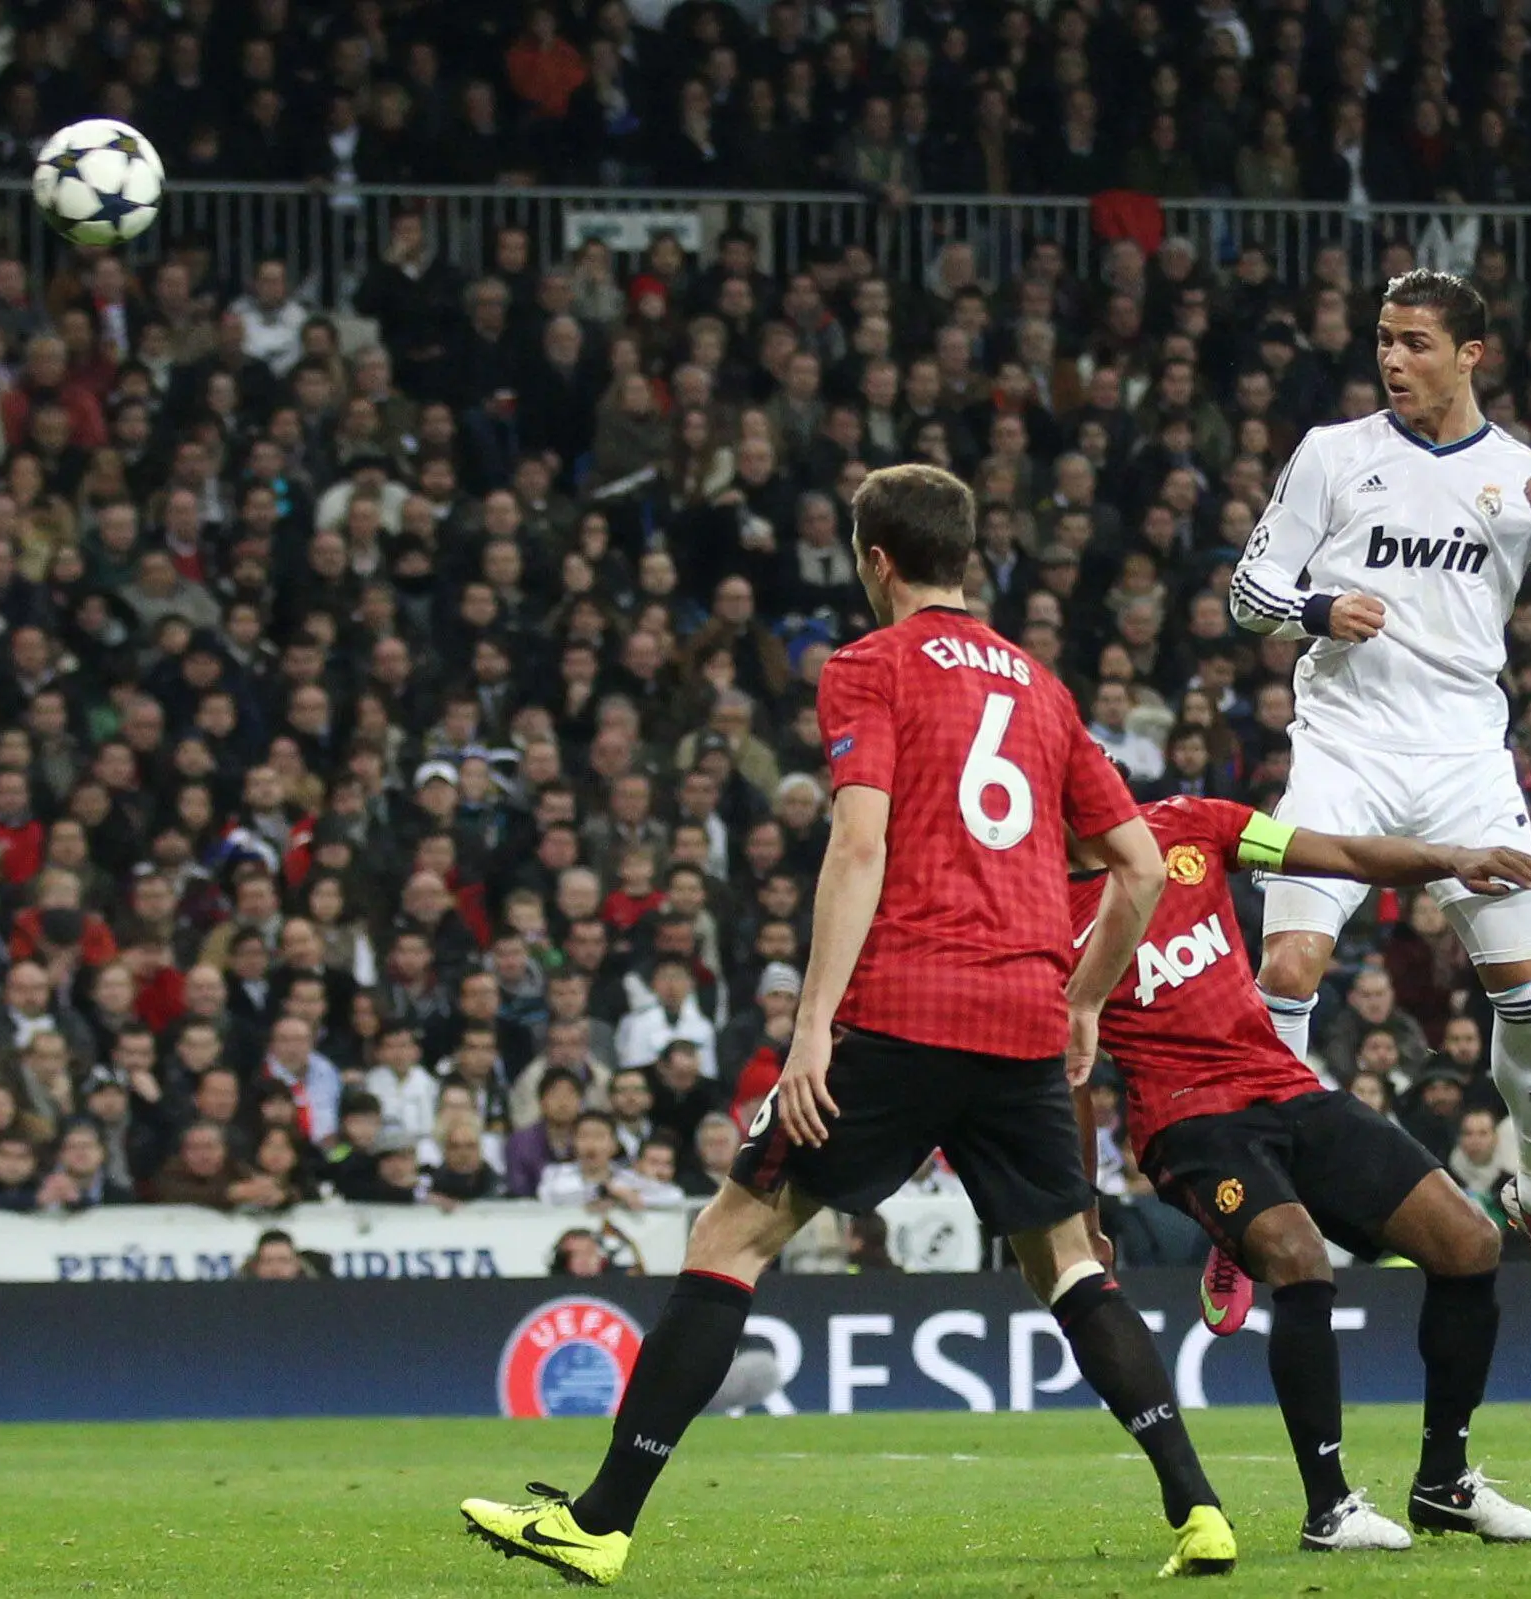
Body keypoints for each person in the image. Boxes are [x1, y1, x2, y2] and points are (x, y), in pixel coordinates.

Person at [462, 464, 1237, 1582]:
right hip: (1022, 1017)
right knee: (1068, 1262)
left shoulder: (869, 666)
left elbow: (859, 843)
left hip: (906, 1006)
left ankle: (599, 1521)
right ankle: (1199, 1510)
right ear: (962, 556)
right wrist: (1080, 997)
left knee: (731, 1238)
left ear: (874, 560)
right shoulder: (1041, 687)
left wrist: (812, 1023)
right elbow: (1138, 866)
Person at [1234, 268, 1531, 1315]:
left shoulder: (1525, 478)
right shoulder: (1331, 454)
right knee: (1285, 967)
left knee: (1530, 997)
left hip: (1465, 766)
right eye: (1383, 339)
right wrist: (1317, 610)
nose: (1392, 359)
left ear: (1470, 356)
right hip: (1342, 752)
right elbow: (1246, 591)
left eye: (1414, 342)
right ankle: (1254, 1202)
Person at [1074, 789, 1531, 1548]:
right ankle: (1328, 1508)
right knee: (1299, 1256)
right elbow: (1068, 1076)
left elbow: (1346, 853)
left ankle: (1443, 1483)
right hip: (1189, 1122)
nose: (1101, 781)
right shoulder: (1040, 913)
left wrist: (1453, 858)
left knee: (1469, 1240)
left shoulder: (1190, 823)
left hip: (1285, 1087)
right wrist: (1082, 1216)